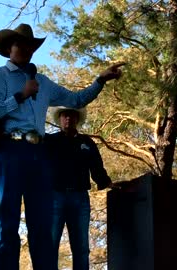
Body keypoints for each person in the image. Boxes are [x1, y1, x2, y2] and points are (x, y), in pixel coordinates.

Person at [0, 23, 124, 270]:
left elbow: (76, 100)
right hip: (10, 151)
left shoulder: (43, 82)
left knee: (42, 225)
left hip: (39, 155)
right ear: (9, 48)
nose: (25, 49)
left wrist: (100, 80)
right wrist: (19, 95)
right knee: (7, 222)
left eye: (30, 46)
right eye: (19, 44)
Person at [46, 106, 116, 270]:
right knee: (50, 244)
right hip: (55, 197)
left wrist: (107, 182)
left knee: (81, 247)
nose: (68, 119)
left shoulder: (86, 142)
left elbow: (96, 167)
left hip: (80, 199)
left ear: (77, 119)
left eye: (71, 115)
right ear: (60, 119)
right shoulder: (50, 141)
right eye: (64, 116)